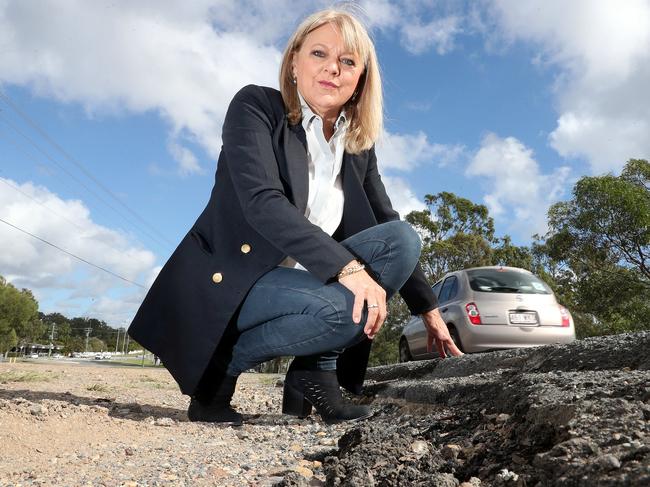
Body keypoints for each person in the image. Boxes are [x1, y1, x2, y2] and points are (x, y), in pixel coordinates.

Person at [128, 8, 462, 426]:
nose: (332, 69)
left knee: (402, 239)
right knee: (343, 308)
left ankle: (312, 372)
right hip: (235, 276)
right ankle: (218, 372)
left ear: (361, 79)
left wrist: (428, 310)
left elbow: (384, 219)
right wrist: (348, 267)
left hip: (300, 277)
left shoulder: (356, 147)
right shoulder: (256, 107)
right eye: (319, 53)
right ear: (294, 62)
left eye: (347, 61)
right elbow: (261, 200)